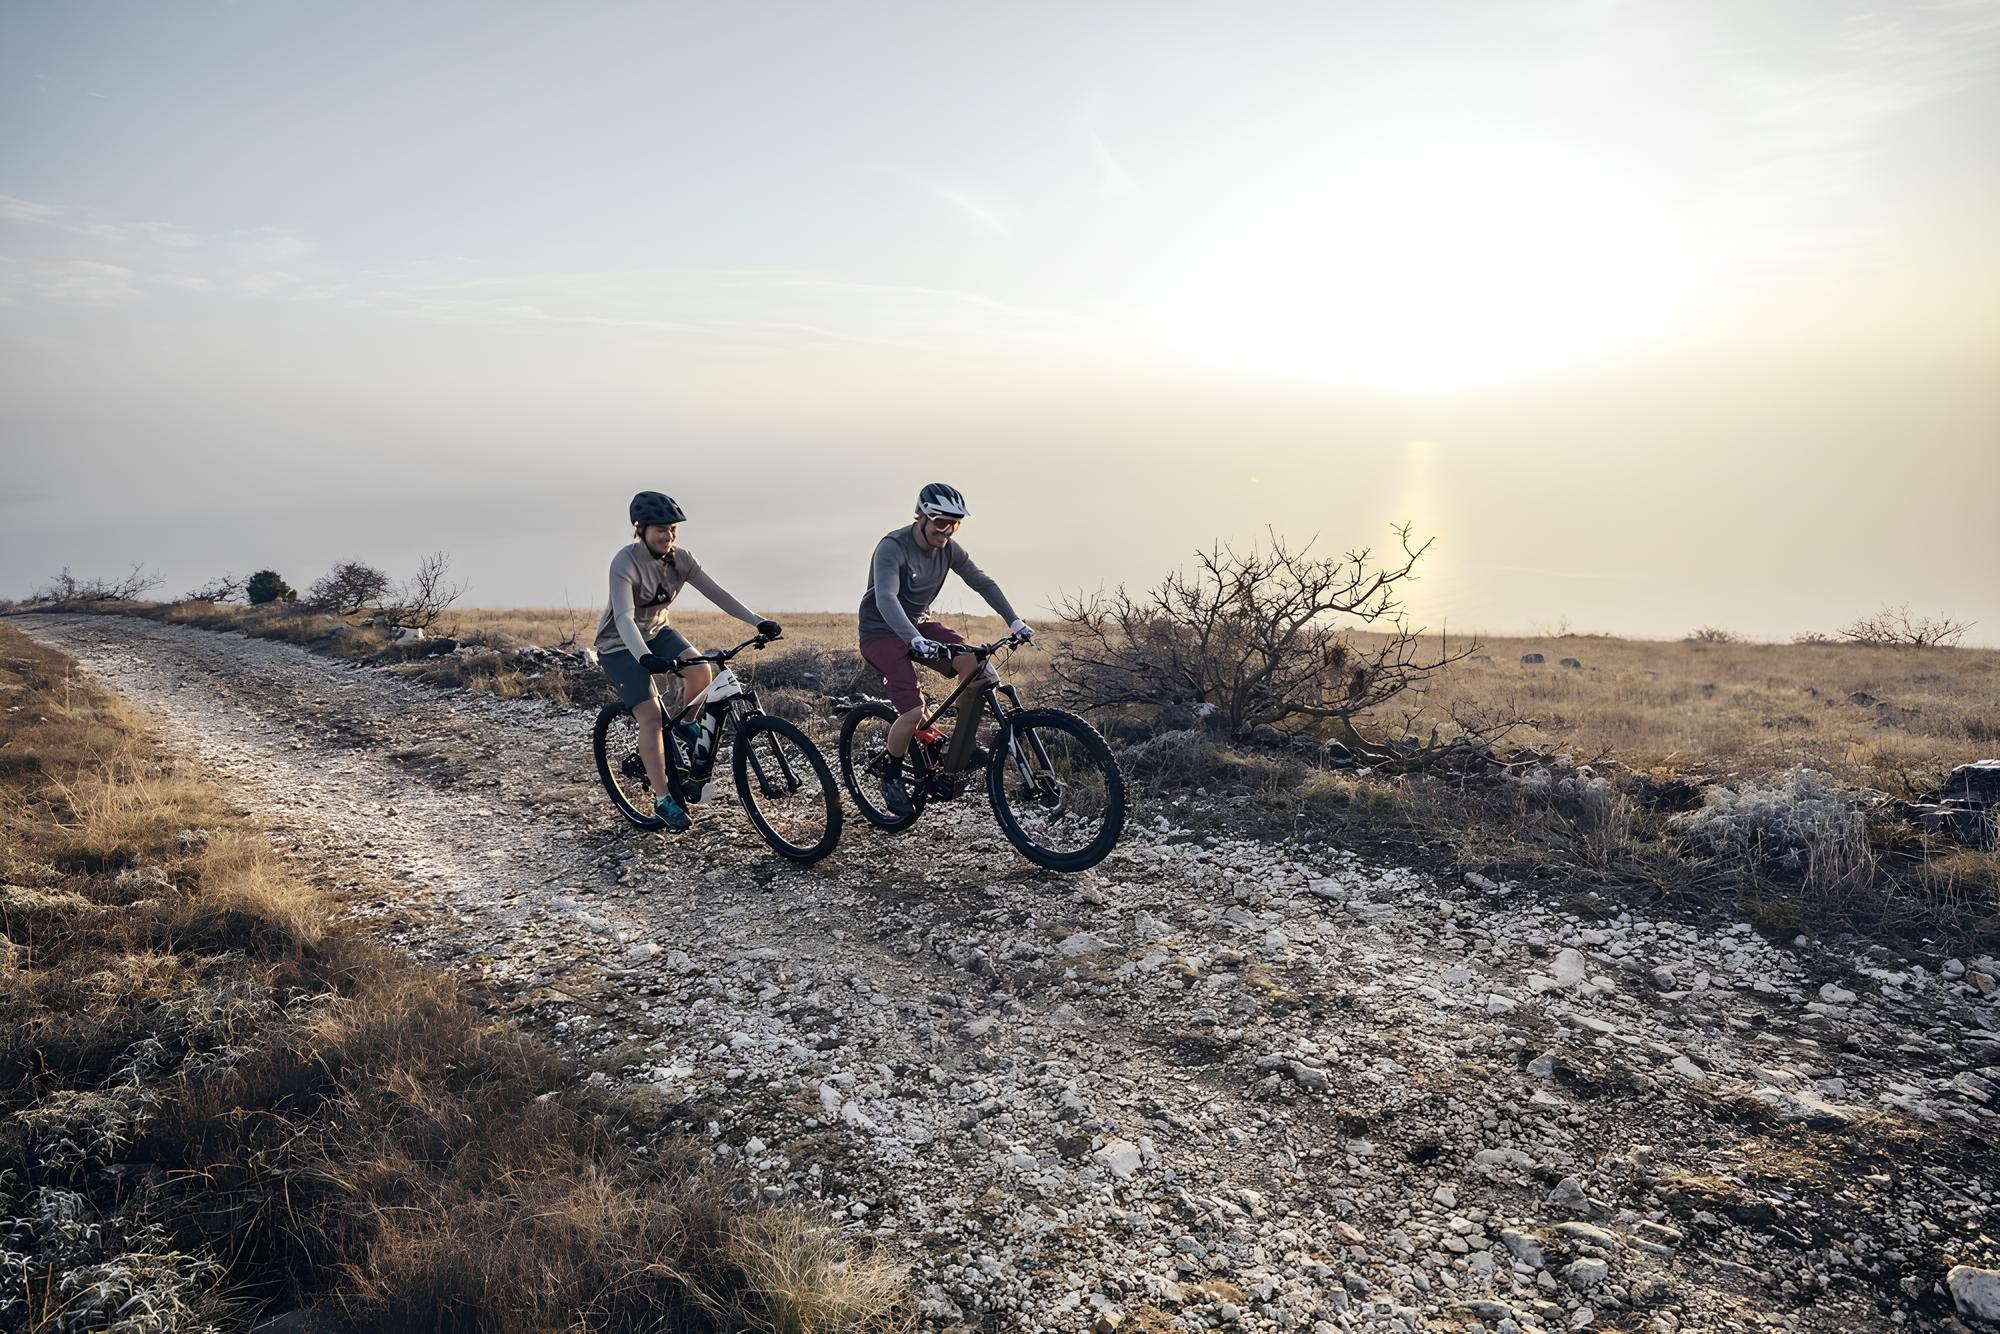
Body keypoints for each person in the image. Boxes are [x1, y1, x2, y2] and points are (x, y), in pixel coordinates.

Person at [596, 491, 780, 831]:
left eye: (671, 530)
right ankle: (664, 799)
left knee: (701, 668)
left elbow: (718, 593)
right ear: (641, 529)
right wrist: (644, 658)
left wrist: (757, 621)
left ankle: (685, 724)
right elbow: (622, 617)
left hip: (657, 632)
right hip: (620, 645)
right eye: (659, 530)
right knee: (650, 717)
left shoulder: (681, 559)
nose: (666, 536)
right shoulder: (625, 562)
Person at [858, 482, 1034, 817]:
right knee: (911, 711)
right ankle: (892, 776)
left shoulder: (949, 549)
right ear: (921, 516)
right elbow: (886, 598)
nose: (948, 531)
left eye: (955, 524)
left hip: (919, 626)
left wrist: (1014, 621)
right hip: (880, 631)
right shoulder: (892, 547)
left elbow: (982, 582)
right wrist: (913, 640)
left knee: (979, 669)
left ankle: (960, 749)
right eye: (941, 522)